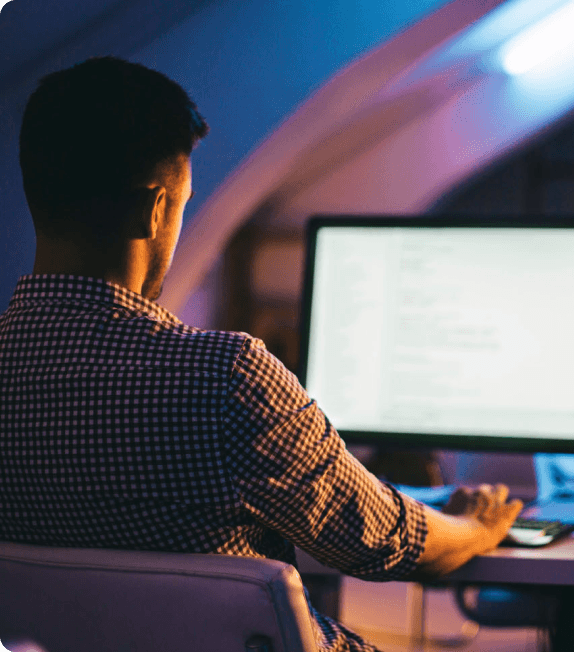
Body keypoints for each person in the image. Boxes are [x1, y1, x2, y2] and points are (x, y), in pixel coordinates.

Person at [0, 56, 522, 652]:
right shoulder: (224, 377)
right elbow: (384, 542)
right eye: (184, 202)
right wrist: (478, 526)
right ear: (153, 210)